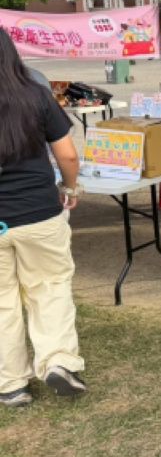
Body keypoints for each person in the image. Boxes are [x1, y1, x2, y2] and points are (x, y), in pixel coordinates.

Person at [0, 29, 86, 407]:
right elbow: (67, 155)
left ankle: (11, 384)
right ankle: (58, 361)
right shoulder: (36, 95)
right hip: (39, 213)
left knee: (2, 301)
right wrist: (71, 188)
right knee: (49, 288)